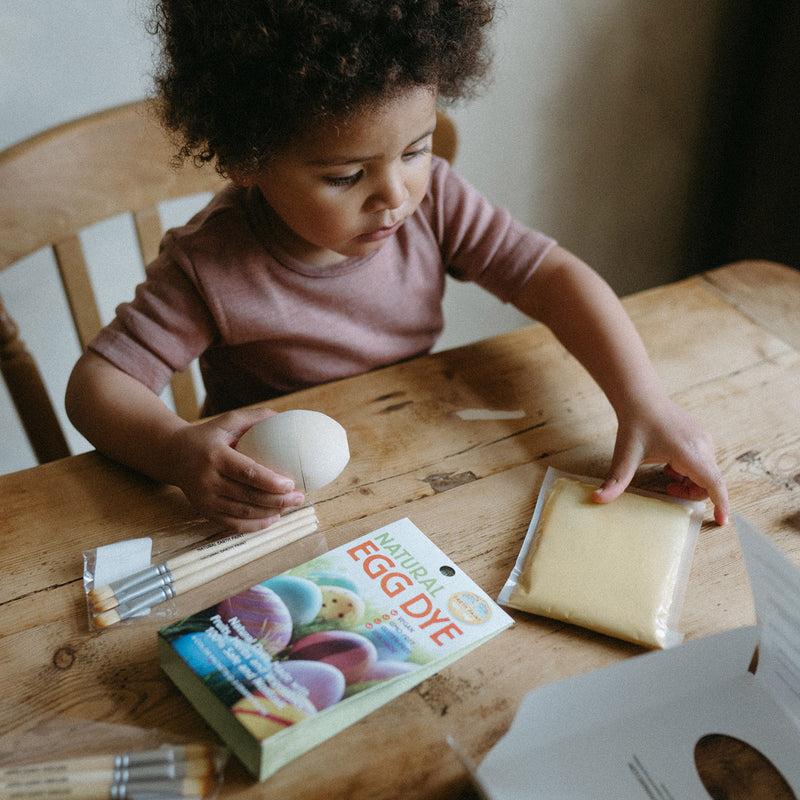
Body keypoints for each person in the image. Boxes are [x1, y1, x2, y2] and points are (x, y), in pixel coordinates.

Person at [66, 0, 729, 532]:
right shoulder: (212, 265)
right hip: (280, 509)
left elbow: (551, 277)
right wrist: (177, 450)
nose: (395, 196)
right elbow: (99, 385)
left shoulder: (434, 199)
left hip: (418, 465)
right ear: (249, 160)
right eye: (348, 175)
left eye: (416, 149)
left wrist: (642, 399)